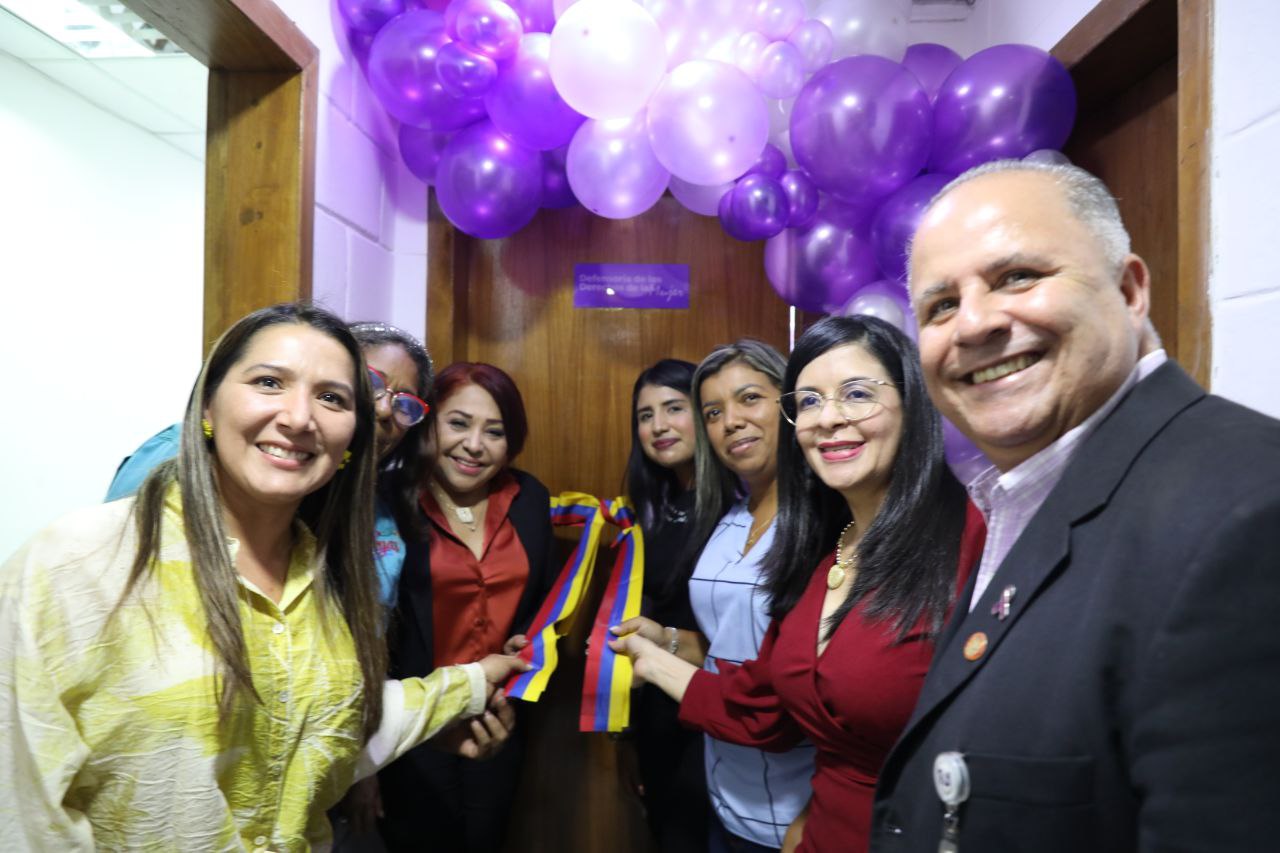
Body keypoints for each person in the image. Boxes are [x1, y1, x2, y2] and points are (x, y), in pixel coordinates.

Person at [0, 304, 526, 850]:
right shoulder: (78, 561)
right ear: (207, 403)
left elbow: (313, 733)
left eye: (331, 397)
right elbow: (22, 811)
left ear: (353, 438)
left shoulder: (325, 576)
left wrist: (466, 687)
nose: (299, 417)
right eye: (269, 382)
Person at [869, 161, 1280, 851]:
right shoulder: (1026, 495)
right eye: (940, 305)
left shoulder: (1248, 512)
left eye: (1017, 277)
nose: (972, 324)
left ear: (1129, 289)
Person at [613, 317, 985, 852]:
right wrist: (656, 656)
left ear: (913, 400)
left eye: (856, 394)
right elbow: (769, 702)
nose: (828, 418)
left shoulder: (970, 538)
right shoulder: (824, 546)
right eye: (809, 402)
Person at [615, 340, 813, 851]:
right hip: (723, 786)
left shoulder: (826, 521)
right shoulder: (729, 519)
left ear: (790, 401)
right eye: (714, 411)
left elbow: (795, 686)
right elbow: (727, 645)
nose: (731, 421)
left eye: (750, 399)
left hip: (795, 800)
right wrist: (668, 640)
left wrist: (657, 665)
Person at [378, 362, 556, 853]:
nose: (475, 445)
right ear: (428, 423)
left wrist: (526, 641)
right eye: (458, 423)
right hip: (416, 718)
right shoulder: (389, 500)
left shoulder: (529, 498)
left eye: (494, 432)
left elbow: (537, 600)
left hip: (497, 718)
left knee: (487, 838)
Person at [620, 358, 710, 852]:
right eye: (645, 415)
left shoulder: (744, 505)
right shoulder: (651, 506)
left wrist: (670, 642)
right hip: (656, 714)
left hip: (715, 711)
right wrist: (628, 735)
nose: (657, 426)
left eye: (673, 408)